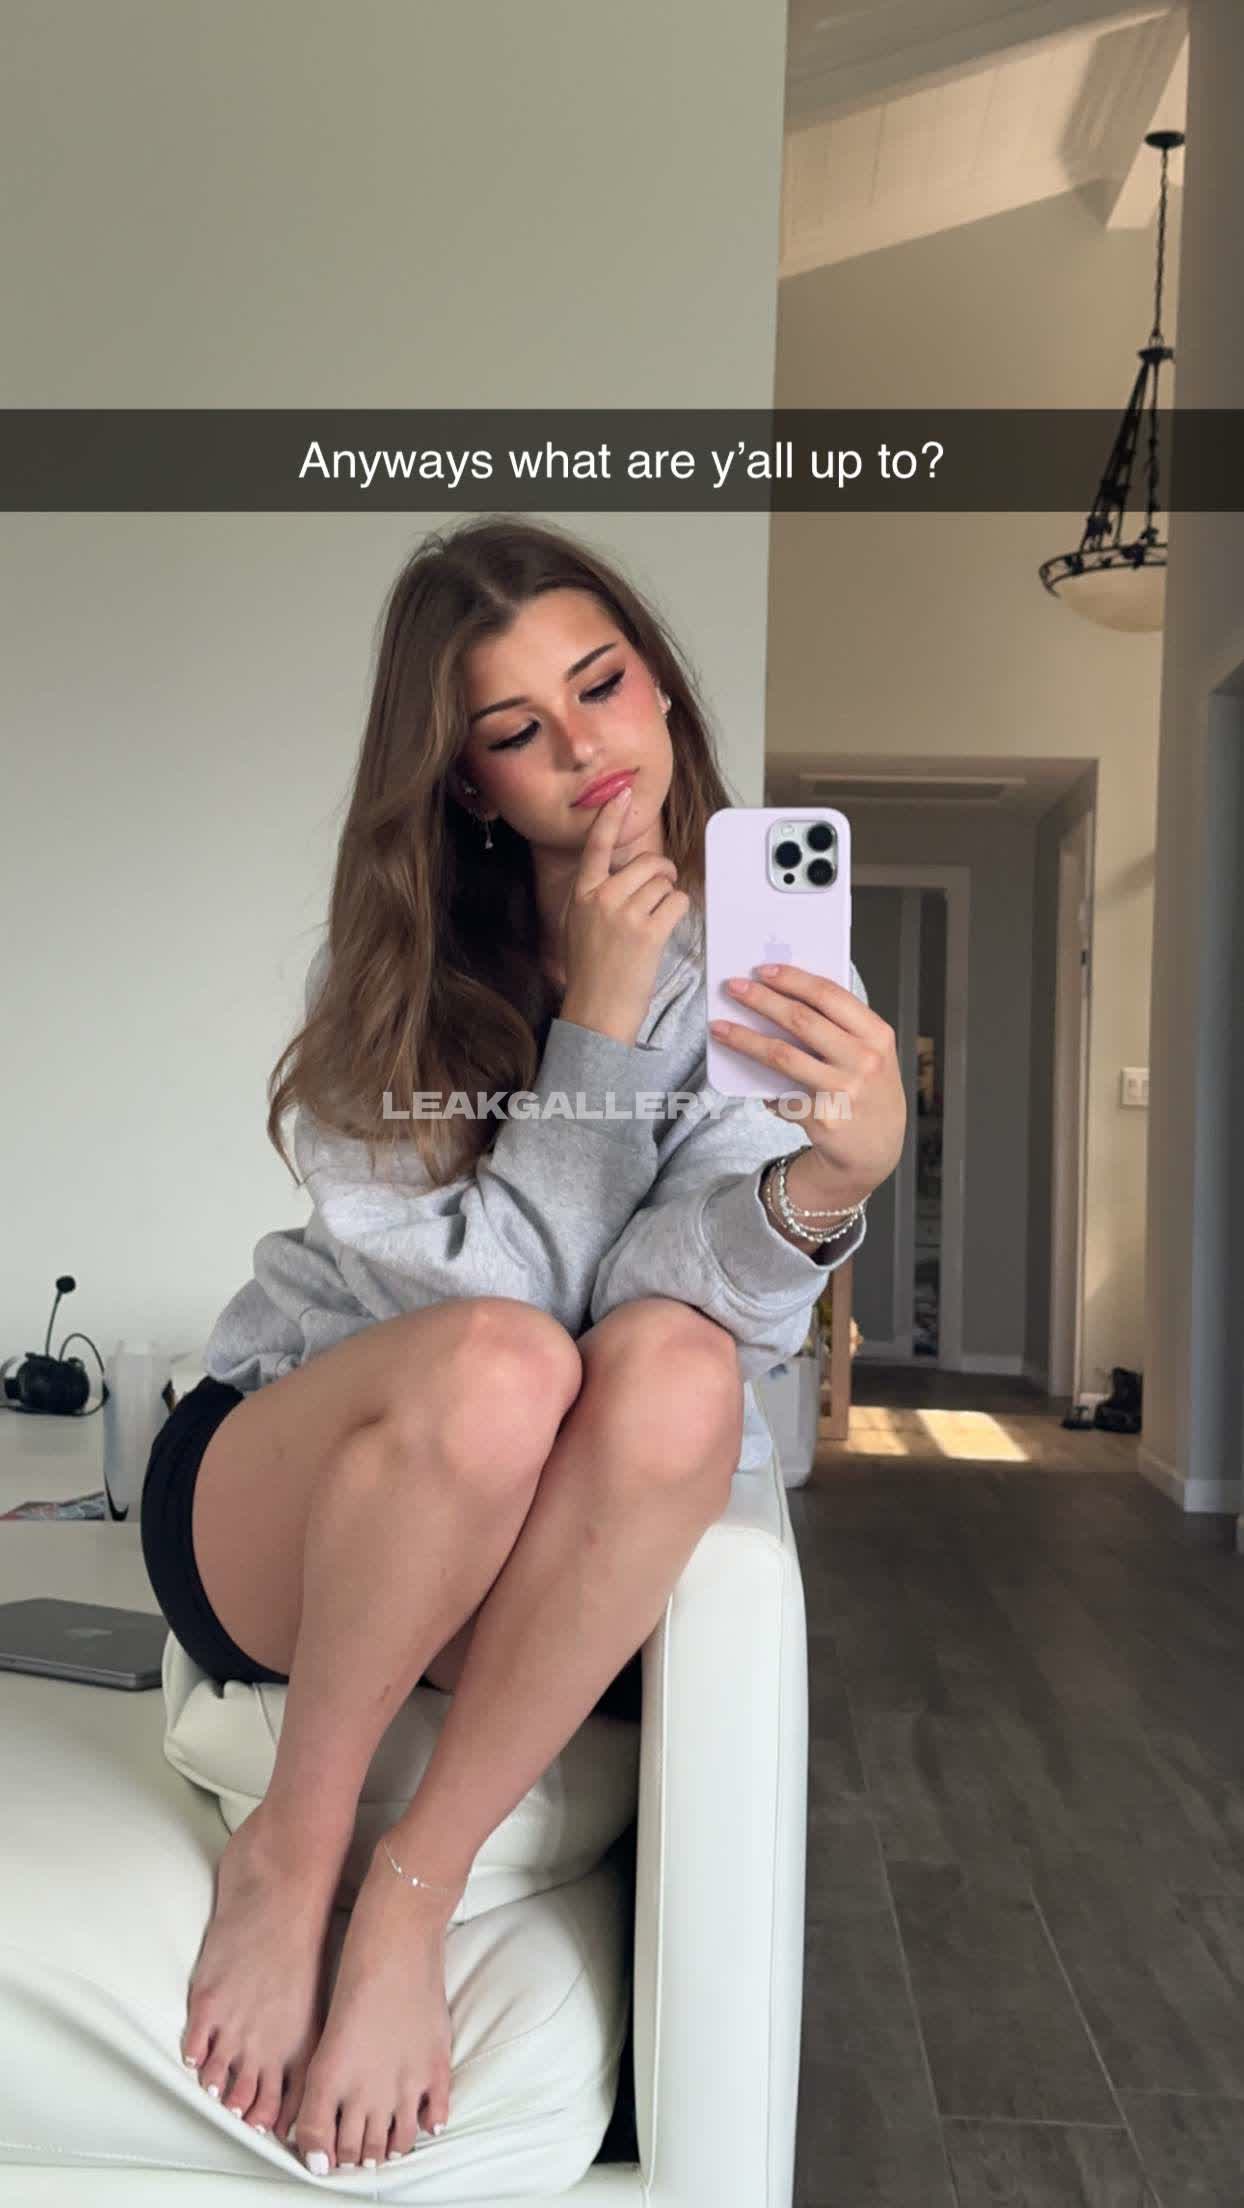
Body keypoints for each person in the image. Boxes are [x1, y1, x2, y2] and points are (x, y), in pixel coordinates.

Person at [138, 515, 906, 2176]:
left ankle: (409, 1898)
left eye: (602, 685)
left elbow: (674, 1312)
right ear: (469, 783)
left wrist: (826, 1190)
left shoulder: (754, 977)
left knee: (686, 1372)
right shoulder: (397, 976)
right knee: (502, 1364)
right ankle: (295, 1850)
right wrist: (597, 1037)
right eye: (515, 729)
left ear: (661, 691)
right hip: (299, 1493)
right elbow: (479, 1313)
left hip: (522, 1534)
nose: (583, 747)